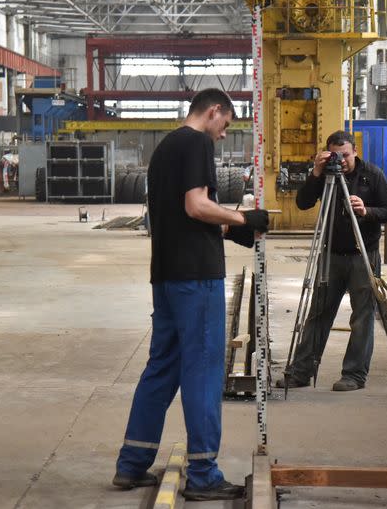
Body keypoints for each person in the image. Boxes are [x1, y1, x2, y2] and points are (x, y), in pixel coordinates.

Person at [112, 88, 269, 501]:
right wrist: (245, 216)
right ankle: (203, 473)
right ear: (213, 111)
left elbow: (183, 215)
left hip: (165, 275)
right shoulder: (197, 141)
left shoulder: (165, 149)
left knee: (162, 366)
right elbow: (197, 206)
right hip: (196, 277)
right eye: (226, 125)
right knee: (202, 369)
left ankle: (131, 464)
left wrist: (233, 229)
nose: (222, 135)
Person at [278, 131, 387, 392]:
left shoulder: (372, 175)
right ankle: (300, 372)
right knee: (318, 314)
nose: (341, 160)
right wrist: (317, 173)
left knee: (363, 318)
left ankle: (354, 375)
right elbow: (303, 202)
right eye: (335, 155)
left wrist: (366, 211)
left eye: (345, 155)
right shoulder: (326, 174)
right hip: (331, 254)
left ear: (354, 151)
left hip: (363, 255)